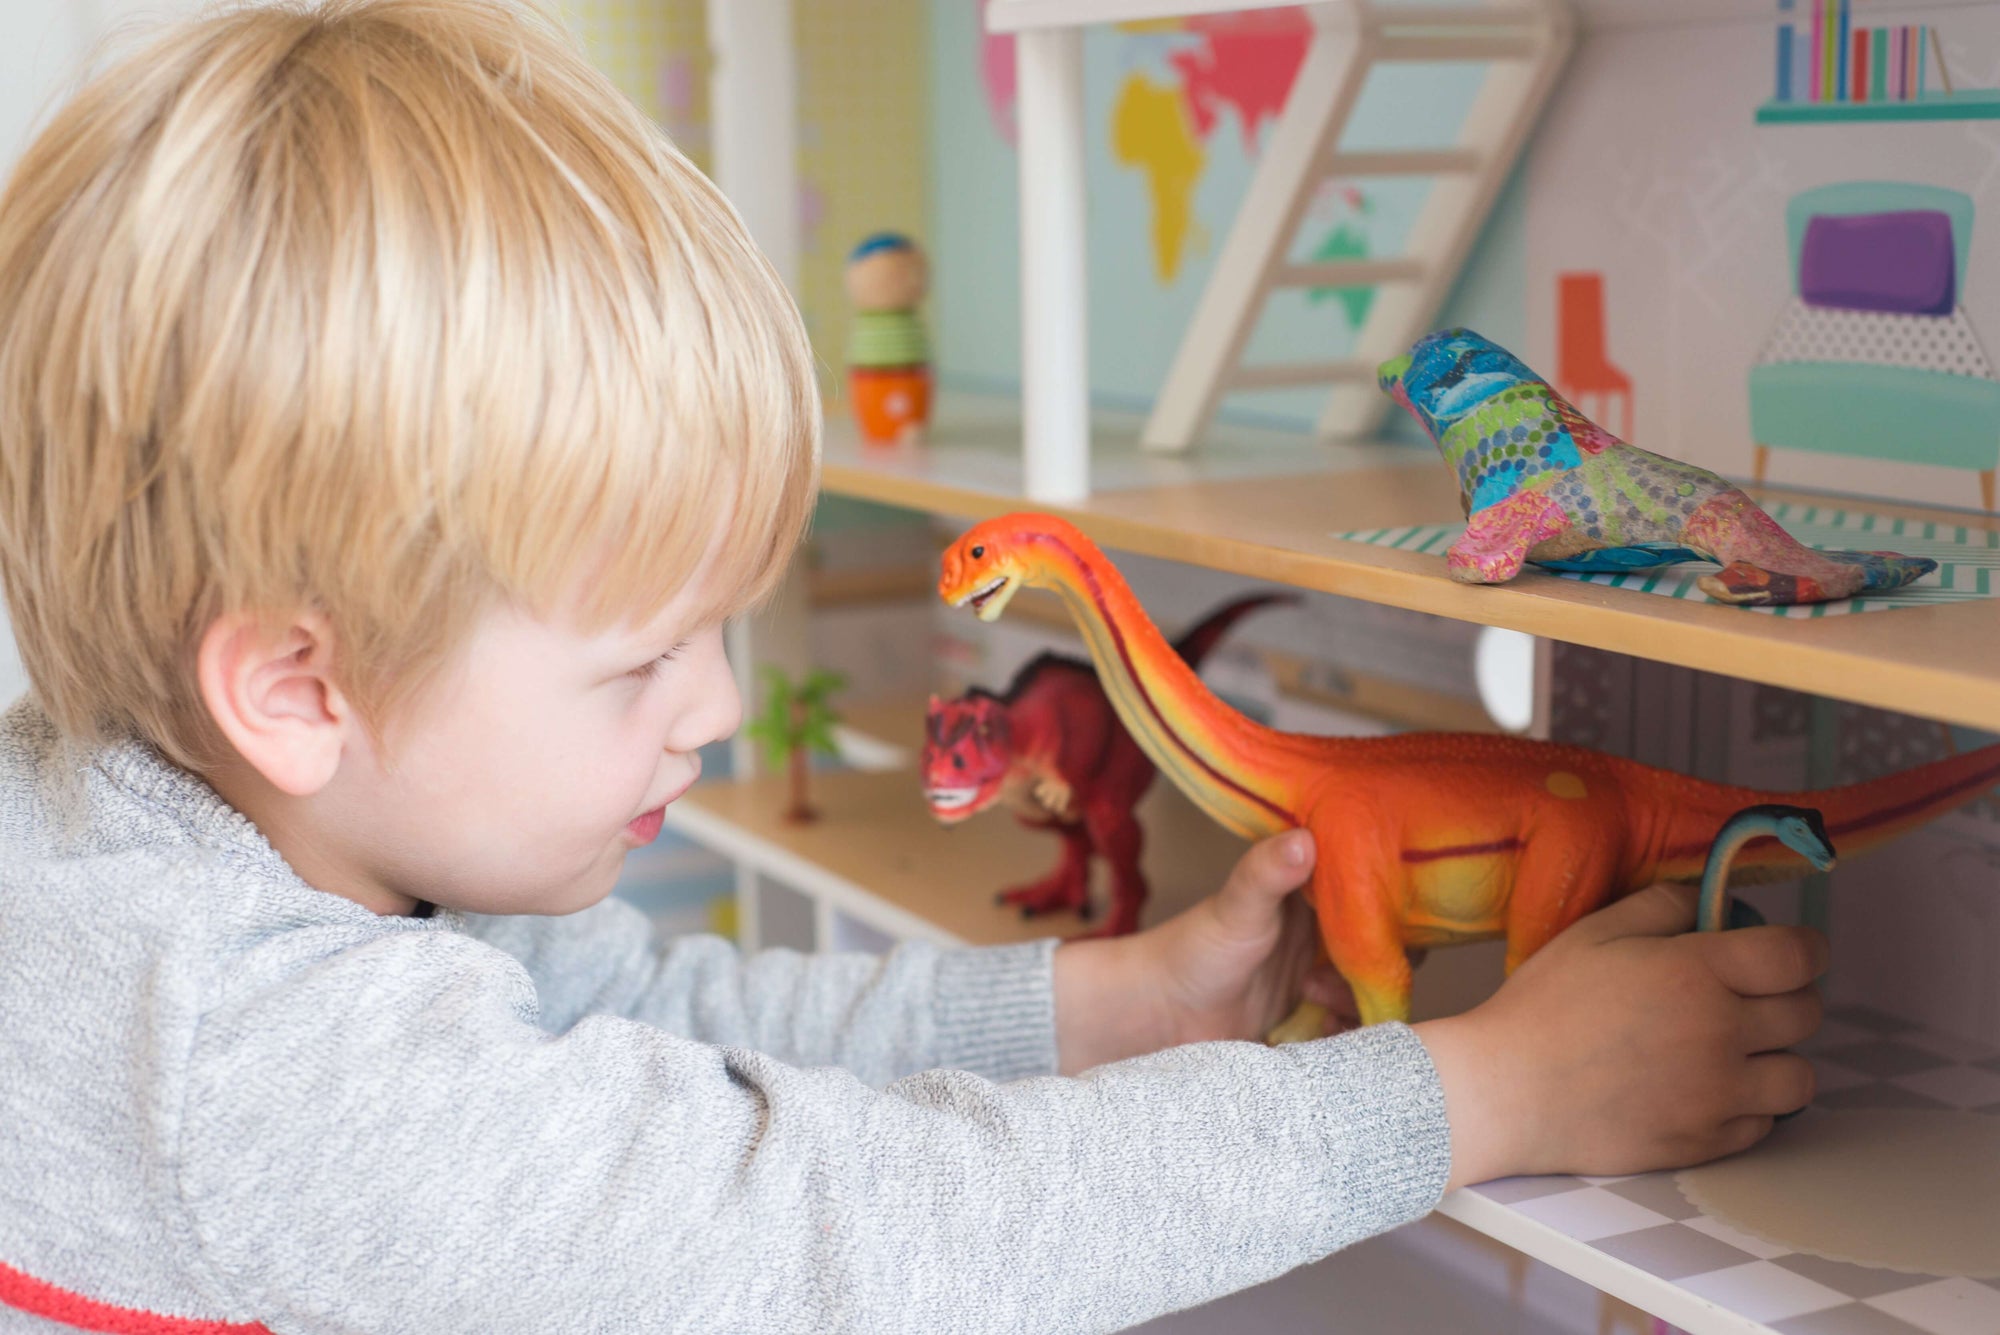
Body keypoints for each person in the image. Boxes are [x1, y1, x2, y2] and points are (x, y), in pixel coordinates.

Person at [0, 3, 1825, 1332]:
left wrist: (1095, 1011)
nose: (714, 704)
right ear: (299, 690)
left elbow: (638, 1020)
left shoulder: (217, 833)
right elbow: (840, 1230)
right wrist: (1482, 1098)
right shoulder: (256, 1057)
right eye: (640, 660)